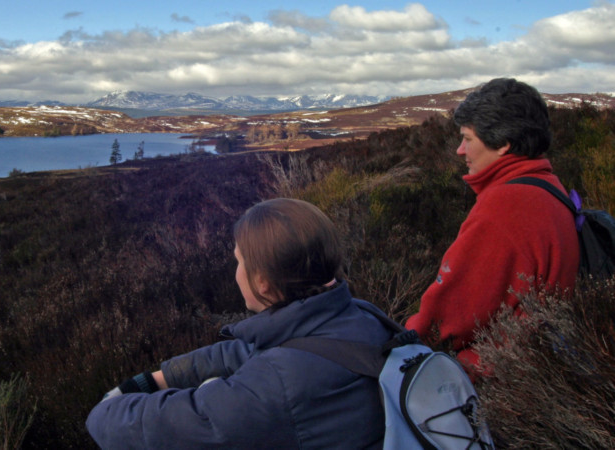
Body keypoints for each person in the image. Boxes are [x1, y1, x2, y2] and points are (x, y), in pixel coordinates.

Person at [87, 198, 391, 449]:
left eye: (238, 261)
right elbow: (249, 351)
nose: (236, 272)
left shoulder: (275, 386)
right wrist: (160, 377)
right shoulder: (361, 315)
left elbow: (172, 424)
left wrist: (106, 408)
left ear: (262, 283)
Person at [405, 78, 579, 370]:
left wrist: (405, 340)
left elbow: (446, 321)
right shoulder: (547, 186)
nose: (461, 150)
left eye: (468, 139)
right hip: (542, 365)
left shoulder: (506, 206)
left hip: (499, 383)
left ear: (503, 144)